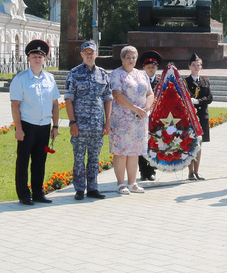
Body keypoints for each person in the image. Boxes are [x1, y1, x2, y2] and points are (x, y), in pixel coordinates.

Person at [10, 39, 61, 205]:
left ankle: (38, 192)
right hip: (27, 125)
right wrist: (18, 128)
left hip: (44, 126)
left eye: (40, 56)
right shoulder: (20, 79)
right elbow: (15, 105)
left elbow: (55, 103)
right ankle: (24, 194)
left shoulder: (50, 79)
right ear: (28, 58)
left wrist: (55, 126)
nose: (37, 58)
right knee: (23, 161)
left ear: (45, 59)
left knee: (40, 160)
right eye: (34, 55)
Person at [65, 41, 113, 199]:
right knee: (79, 157)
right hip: (80, 124)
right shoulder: (74, 73)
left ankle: (92, 188)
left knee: (94, 157)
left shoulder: (103, 74)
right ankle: (79, 189)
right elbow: (69, 99)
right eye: (86, 52)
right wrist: (72, 122)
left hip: (97, 125)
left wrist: (107, 122)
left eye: (91, 52)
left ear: (96, 54)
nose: (89, 54)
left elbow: (108, 99)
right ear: (81, 54)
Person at [110, 46, 154, 195]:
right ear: (122, 58)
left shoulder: (142, 74)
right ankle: (121, 183)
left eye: (133, 57)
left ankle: (132, 183)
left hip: (139, 119)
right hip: (122, 119)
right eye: (128, 57)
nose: (131, 60)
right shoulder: (116, 74)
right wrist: (135, 108)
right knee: (121, 151)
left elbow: (150, 93)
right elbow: (117, 95)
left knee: (135, 152)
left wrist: (146, 109)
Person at [184, 52, 211, 181]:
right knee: (191, 143)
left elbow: (209, 97)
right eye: (193, 65)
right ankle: (190, 172)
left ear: (201, 66)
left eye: (198, 65)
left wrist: (198, 101)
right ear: (189, 66)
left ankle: (197, 171)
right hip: (190, 117)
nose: (196, 67)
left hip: (202, 115)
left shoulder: (205, 80)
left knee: (200, 144)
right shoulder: (185, 81)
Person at [138, 50, 163, 182]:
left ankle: (152, 170)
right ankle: (143, 171)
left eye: (153, 67)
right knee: (142, 145)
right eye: (148, 67)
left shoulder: (160, 82)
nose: (151, 69)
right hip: (143, 117)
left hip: (156, 119)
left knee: (154, 144)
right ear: (144, 68)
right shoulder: (139, 82)